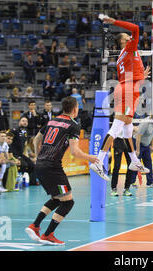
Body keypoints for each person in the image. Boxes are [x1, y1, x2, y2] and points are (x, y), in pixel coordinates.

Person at [25, 96, 100, 245]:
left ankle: (35, 226)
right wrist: (90, 157)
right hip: (52, 167)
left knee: (57, 198)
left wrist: (39, 156)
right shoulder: (73, 125)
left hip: (40, 165)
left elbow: (35, 140)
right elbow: (75, 151)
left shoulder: (52, 120)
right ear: (75, 109)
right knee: (68, 202)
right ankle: (48, 234)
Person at [93, 14, 152, 179]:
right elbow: (136, 28)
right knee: (117, 127)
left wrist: (140, 77)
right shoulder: (129, 48)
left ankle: (134, 160)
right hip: (127, 90)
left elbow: (129, 74)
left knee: (127, 128)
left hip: (127, 88)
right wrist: (114, 22)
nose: (132, 37)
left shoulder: (125, 55)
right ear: (124, 41)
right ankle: (99, 160)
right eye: (128, 37)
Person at [133, 116, 153, 188]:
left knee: (148, 163)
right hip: (138, 143)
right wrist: (137, 150)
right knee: (136, 163)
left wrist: (151, 145)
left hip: (146, 144)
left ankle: (150, 183)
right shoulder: (145, 123)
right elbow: (138, 136)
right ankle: (132, 182)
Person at [110, 131, 136, 197]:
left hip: (128, 141)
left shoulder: (130, 122)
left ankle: (127, 188)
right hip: (118, 141)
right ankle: (113, 188)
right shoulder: (118, 121)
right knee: (117, 166)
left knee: (131, 165)